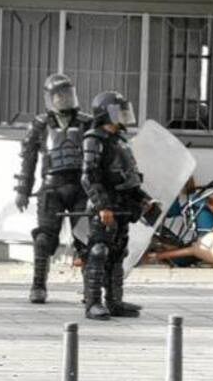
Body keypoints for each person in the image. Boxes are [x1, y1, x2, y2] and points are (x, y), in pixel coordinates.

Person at [14, 73, 90, 304]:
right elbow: (28, 160)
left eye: (66, 94)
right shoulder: (39, 125)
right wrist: (23, 190)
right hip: (51, 188)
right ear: (50, 98)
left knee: (86, 238)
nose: (63, 98)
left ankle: (91, 289)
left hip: (81, 187)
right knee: (43, 239)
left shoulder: (87, 122)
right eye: (58, 95)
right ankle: (38, 285)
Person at [80, 91, 156, 321]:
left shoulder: (120, 140)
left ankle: (114, 301)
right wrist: (102, 206)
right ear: (105, 113)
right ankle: (93, 303)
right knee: (98, 251)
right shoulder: (94, 139)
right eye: (118, 111)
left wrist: (142, 198)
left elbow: (129, 177)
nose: (123, 115)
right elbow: (89, 176)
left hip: (123, 205)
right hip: (105, 207)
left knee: (117, 253)